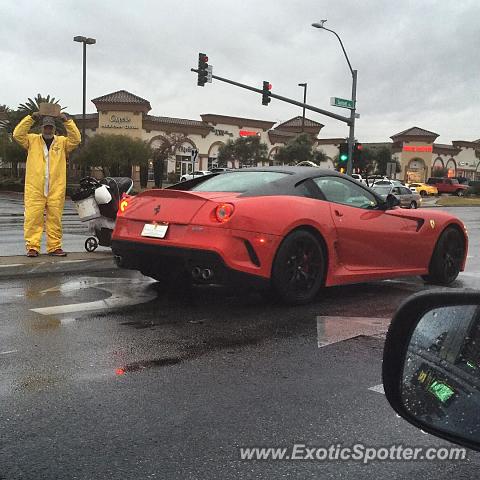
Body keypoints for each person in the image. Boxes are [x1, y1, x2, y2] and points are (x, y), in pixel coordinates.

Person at [13, 112, 81, 257]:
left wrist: (68, 122)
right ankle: (32, 247)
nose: (48, 130)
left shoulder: (62, 143)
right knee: (33, 218)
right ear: (41, 128)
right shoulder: (31, 140)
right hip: (35, 188)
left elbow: (76, 139)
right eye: (45, 127)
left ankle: (54, 247)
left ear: (54, 129)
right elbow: (17, 134)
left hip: (56, 188)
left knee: (55, 218)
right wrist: (31, 118)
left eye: (50, 127)